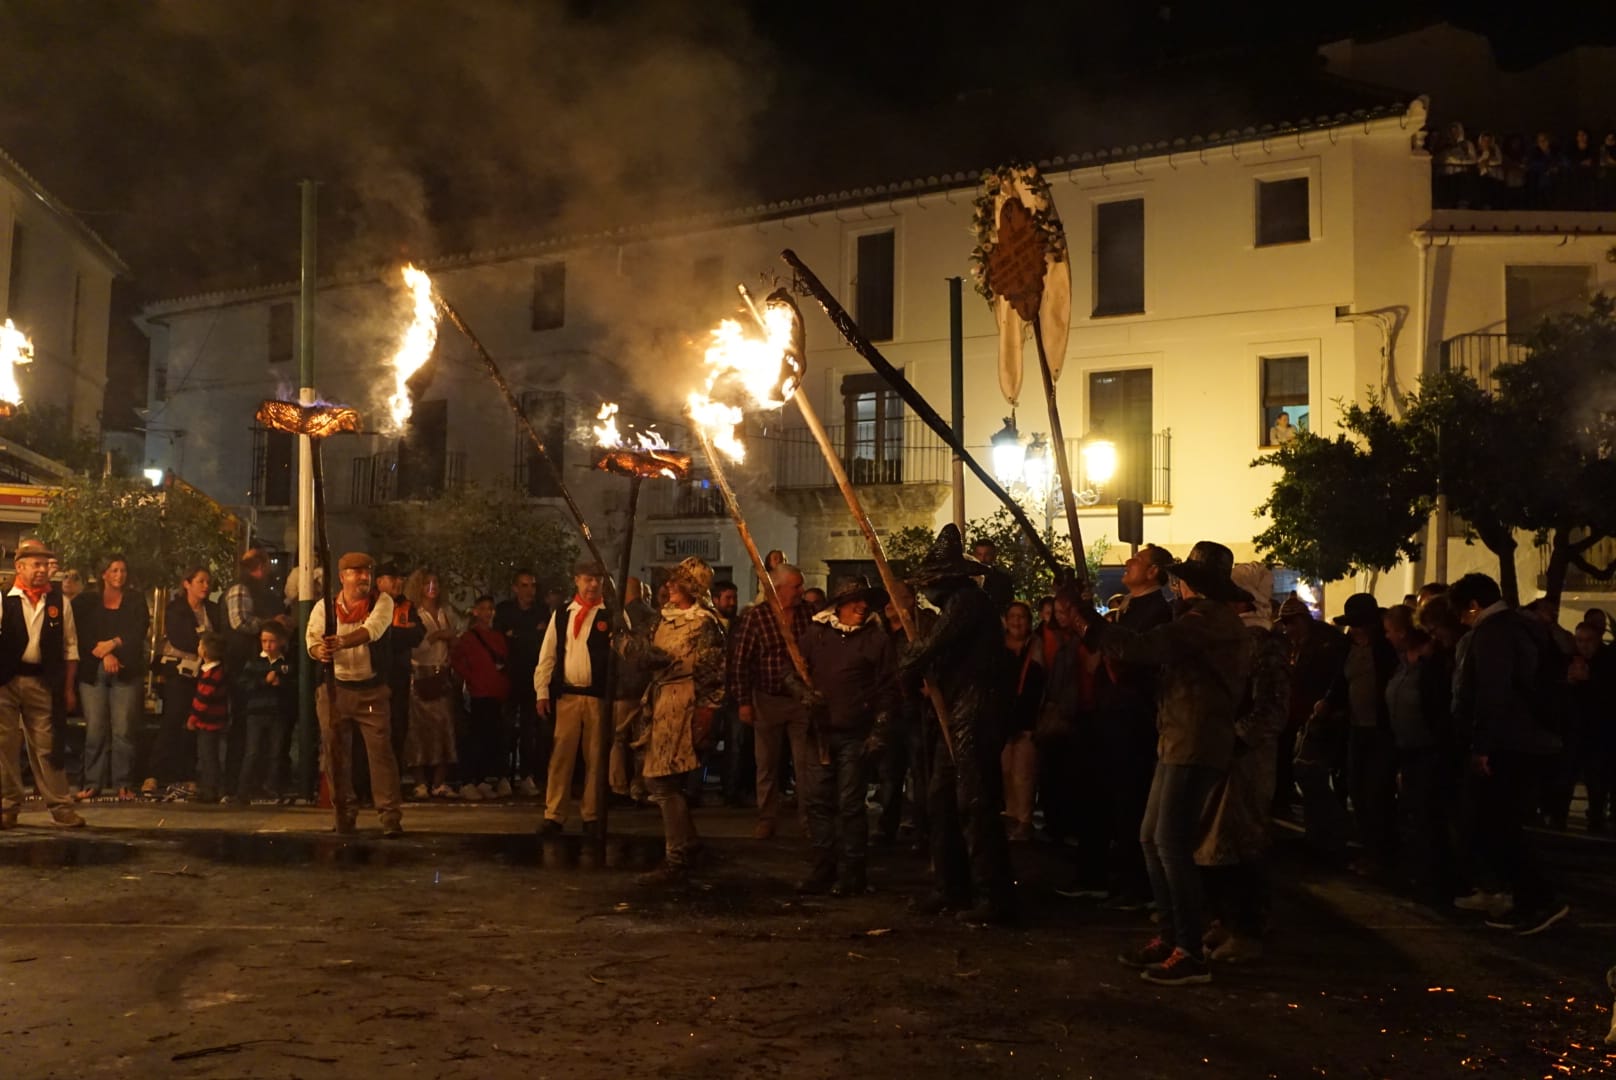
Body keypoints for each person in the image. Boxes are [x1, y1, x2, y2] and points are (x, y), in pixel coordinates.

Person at [1081, 541, 1254, 987]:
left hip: (1195, 739)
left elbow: (1145, 648)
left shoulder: (1208, 620)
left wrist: (1091, 622)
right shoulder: (1200, 619)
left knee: (1169, 842)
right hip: (1177, 736)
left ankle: (1189, 950)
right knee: (1152, 838)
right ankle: (1172, 936)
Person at [902, 525, 1016, 927]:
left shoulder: (967, 602)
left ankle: (992, 893)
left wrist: (907, 665)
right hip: (956, 706)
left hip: (976, 707)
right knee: (941, 799)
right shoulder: (955, 606)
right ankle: (950, 885)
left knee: (974, 801)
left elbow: (932, 647)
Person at [1448, 572, 1567, 934]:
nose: (1461, 621)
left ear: (1473, 605)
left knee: (1498, 825)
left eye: (1461, 612)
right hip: (1528, 739)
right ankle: (1528, 898)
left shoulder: (1493, 632)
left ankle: (1540, 900)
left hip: (1510, 742)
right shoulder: (1523, 626)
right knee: (1501, 824)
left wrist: (1482, 746)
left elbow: (1492, 692)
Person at [1196, 563, 1289, 963]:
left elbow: (1272, 709)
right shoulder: (1233, 636)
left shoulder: (1265, 643)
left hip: (1247, 761)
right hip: (1224, 755)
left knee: (1245, 842)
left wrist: (1235, 739)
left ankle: (1248, 929)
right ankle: (1225, 919)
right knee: (1216, 842)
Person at [795, 577, 898, 896]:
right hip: (820, 734)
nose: (862, 605)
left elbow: (889, 689)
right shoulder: (816, 634)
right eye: (855, 600)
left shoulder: (876, 640)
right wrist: (803, 692)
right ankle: (822, 869)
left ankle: (853, 874)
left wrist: (879, 730)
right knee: (818, 803)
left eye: (865, 600)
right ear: (838, 605)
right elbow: (791, 671)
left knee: (851, 805)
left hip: (856, 734)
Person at [631, 557, 727, 886]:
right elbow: (644, 654)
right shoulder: (662, 620)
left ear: (692, 588)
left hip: (683, 702)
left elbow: (714, 674)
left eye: (676, 582)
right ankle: (688, 845)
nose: (668, 586)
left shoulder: (704, 624)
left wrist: (706, 712)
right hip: (660, 701)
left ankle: (679, 853)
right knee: (659, 780)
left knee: (662, 781)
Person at [1092, 543, 1175, 908]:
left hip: (1135, 717)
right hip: (1116, 715)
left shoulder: (1158, 611)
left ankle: (1139, 886)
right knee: (1115, 799)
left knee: (1133, 799)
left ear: (1154, 571)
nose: (1129, 562)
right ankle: (1120, 876)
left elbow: (1131, 656)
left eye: (1138, 560)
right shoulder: (1130, 608)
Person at [306, 551, 404, 838]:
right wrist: (319, 650)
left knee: (381, 754)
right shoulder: (325, 606)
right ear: (342, 577)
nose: (363, 577)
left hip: (371, 690)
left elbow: (372, 630)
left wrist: (341, 642)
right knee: (335, 755)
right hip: (335, 690)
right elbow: (311, 639)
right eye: (356, 572)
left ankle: (389, 816)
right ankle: (344, 814)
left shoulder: (381, 602)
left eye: (367, 572)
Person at [0, 539, 86, 828]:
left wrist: (68, 687)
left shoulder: (59, 602)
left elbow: (70, 648)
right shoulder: (3, 599)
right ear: (19, 567)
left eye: (45, 564)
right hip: (6, 680)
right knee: (5, 745)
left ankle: (60, 805)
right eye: (35, 564)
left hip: (42, 680)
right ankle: (8, 806)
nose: (42, 569)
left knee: (48, 744)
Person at [728, 562, 814, 839]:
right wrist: (744, 701)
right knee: (766, 763)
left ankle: (809, 819)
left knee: (805, 764)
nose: (802, 591)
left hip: (801, 701)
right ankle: (767, 817)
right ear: (778, 589)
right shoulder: (757, 618)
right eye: (796, 586)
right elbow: (741, 662)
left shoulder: (808, 615)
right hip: (767, 699)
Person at [1319, 593, 1398, 878]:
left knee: (1377, 792)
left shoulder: (1386, 649)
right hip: (1356, 727)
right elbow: (1341, 680)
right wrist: (1329, 701)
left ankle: (1382, 853)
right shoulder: (1348, 647)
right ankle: (1369, 849)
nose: (1356, 630)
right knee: (1357, 789)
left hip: (1381, 729)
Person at [534, 558, 612, 836]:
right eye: (587, 579)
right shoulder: (564, 614)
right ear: (577, 580)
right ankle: (554, 813)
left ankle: (591, 814)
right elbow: (548, 654)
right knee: (561, 756)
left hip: (597, 698)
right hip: (568, 696)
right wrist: (542, 691)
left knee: (595, 757)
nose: (592, 584)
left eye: (597, 579)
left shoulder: (611, 614)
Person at [73, 554, 149, 802]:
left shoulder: (135, 600)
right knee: (95, 729)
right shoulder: (86, 601)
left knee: (124, 729)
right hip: (92, 671)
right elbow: (79, 633)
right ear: (103, 573)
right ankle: (92, 782)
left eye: (123, 570)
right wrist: (104, 654)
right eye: (114, 570)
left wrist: (114, 645)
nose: (119, 575)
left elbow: (137, 631)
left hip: (127, 670)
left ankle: (123, 783)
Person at [145, 565, 221, 799]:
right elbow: (181, 638)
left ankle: (188, 774)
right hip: (180, 673)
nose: (205, 586)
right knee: (173, 720)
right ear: (187, 584)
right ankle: (154, 773)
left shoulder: (213, 610)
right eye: (200, 581)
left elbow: (218, 637)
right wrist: (203, 644)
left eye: (208, 582)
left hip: (204, 673)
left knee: (194, 723)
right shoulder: (176, 609)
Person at [1284, 595, 1348, 857]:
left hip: (1323, 718)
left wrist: (1326, 708)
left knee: (1314, 777)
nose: (1288, 628)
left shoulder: (1326, 644)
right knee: (1309, 777)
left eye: (1291, 622)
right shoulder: (1301, 643)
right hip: (1306, 717)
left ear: (1303, 619)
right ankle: (1318, 837)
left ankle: (1330, 838)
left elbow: (1328, 680)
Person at [401, 569, 463, 799]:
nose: (432, 587)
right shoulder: (414, 614)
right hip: (420, 674)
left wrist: (450, 640)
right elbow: (415, 647)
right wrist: (437, 636)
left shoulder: (445, 613)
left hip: (441, 673)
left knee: (444, 729)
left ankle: (439, 781)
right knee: (418, 732)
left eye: (436, 581)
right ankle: (420, 782)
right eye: (427, 582)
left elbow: (454, 642)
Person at [452, 595, 511, 798]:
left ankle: (486, 777)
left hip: (496, 692)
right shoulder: (469, 638)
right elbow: (458, 661)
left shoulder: (498, 637)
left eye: (490, 608)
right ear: (476, 611)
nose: (488, 612)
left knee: (493, 737)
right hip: (479, 693)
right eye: (484, 608)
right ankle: (474, 778)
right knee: (477, 736)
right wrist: (472, 678)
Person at [494, 570, 546, 798]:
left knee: (529, 729)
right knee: (505, 729)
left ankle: (526, 775)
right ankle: (504, 775)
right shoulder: (505, 610)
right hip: (509, 676)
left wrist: (517, 635)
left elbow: (542, 640)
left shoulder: (541, 611)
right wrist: (528, 635)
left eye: (532, 586)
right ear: (515, 588)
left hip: (532, 678)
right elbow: (500, 639)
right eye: (524, 586)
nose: (529, 591)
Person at [373, 563, 425, 789]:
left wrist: (393, 634)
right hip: (377, 676)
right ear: (379, 581)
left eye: (400, 577)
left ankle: (393, 778)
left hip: (400, 676)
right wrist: (397, 634)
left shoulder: (406, 605)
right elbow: (376, 636)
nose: (398, 582)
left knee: (398, 726)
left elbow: (417, 634)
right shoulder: (371, 604)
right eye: (392, 578)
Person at [999, 600, 1044, 842]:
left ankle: (1025, 820)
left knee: (1024, 772)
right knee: (1005, 770)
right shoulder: (997, 648)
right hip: (1003, 718)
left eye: (1022, 617)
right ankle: (1012, 815)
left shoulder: (1038, 646)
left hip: (1028, 718)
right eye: (1013, 616)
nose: (1017, 621)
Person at [234, 623, 294, 803]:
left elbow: (294, 686)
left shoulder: (286, 664)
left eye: (272, 641)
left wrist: (281, 685)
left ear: (281, 642)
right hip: (256, 712)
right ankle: (244, 789)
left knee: (276, 752)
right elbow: (244, 685)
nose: (267, 645)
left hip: (277, 713)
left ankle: (271, 787)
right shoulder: (254, 663)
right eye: (264, 641)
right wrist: (263, 682)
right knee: (252, 751)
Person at [1570, 622, 1615, 833]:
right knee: (1593, 778)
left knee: (1600, 777)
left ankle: (1599, 818)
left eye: (1588, 641)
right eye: (1579, 640)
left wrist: (1588, 681)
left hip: (1603, 731)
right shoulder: (1574, 661)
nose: (1583, 646)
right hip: (1585, 731)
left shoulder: (1608, 663)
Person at [187, 632, 230, 803]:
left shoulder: (211, 674)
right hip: (215, 721)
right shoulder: (217, 671)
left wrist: (193, 717)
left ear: (204, 652)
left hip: (208, 722)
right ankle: (211, 787)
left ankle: (210, 789)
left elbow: (203, 699)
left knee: (208, 756)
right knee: (209, 756)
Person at [971, 539, 1015, 613]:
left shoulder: (1004, 580)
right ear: (974, 556)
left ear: (994, 556)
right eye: (979, 555)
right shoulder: (967, 579)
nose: (982, 559)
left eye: (987, 555)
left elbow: (1008, 607)